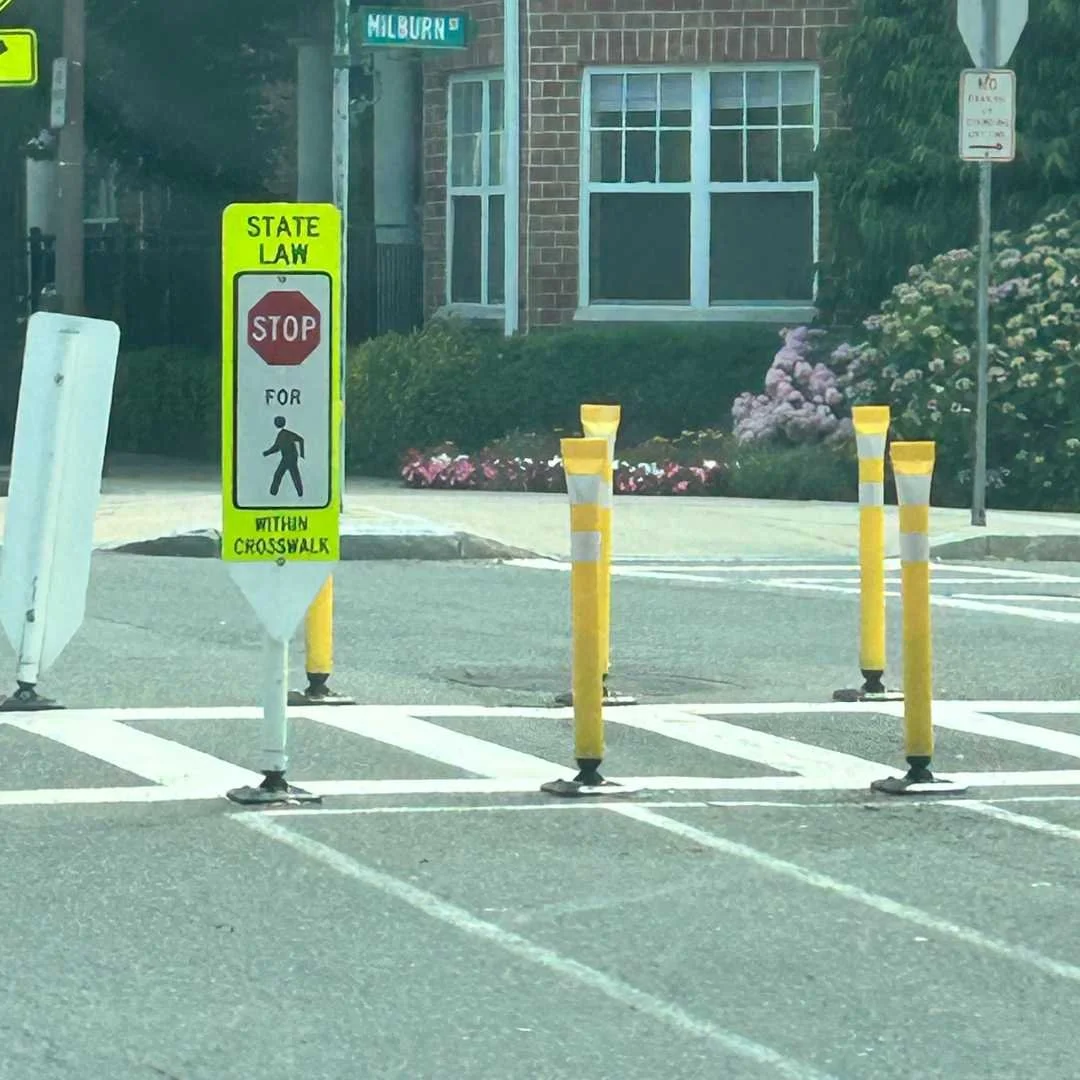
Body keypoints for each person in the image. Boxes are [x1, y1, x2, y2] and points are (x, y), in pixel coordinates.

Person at [263, 415, 304, 497]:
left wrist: (302, 454)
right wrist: (267, 453)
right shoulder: (281, 434)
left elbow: (300, 439)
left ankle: (299, 493)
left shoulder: (285, 433)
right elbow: (277, 447)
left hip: (290, 458)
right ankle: (273, 492)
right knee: (282, 475)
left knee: (291, 476)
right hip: (286, 458)